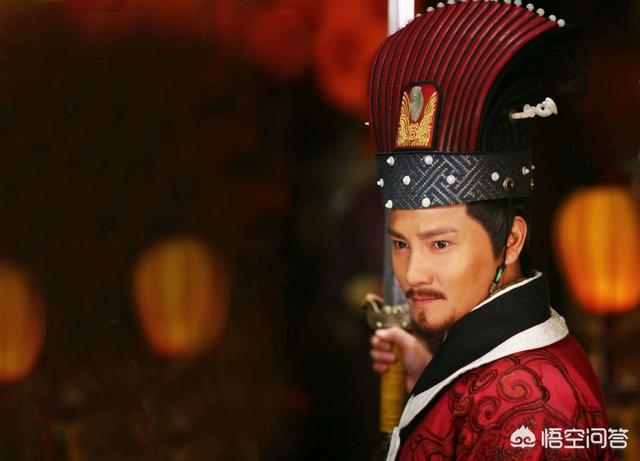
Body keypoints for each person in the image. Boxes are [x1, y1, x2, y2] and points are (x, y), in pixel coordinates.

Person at [365, 2, 617, 460]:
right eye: (400, 244)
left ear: (511, 241)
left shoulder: (532, 408)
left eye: (440, 243)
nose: (413, 273)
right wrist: (436, 377)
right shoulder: (495, 369)